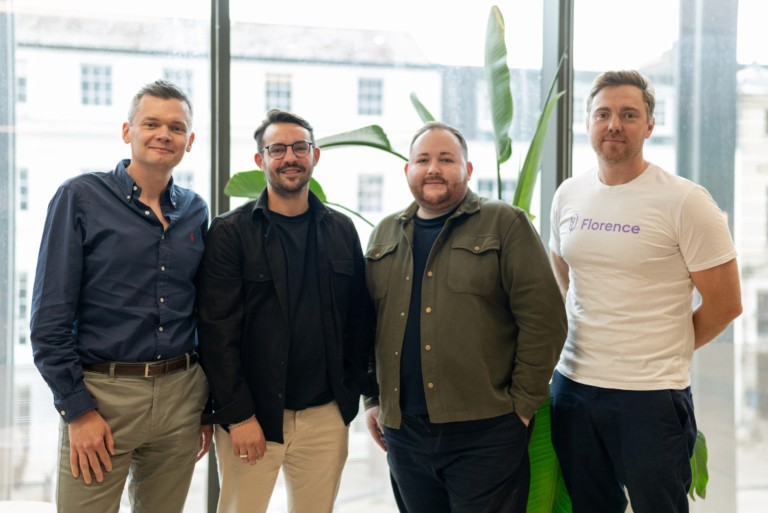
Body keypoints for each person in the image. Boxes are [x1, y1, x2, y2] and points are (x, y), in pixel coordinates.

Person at [548, 70, 743, 513]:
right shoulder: (569, 194)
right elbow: (562, 262)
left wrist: (664, 346)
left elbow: (726, 303)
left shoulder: (684, 201)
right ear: (588, 123)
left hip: (651, 397)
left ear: (650, 125)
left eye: (628, 114)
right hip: (573, 386)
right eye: (603, 114)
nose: (614, 124)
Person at [364, 121, 568, 512]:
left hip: (486, 432)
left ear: (467, 170)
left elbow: (545, 321)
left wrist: (521, 408)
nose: (433, 169)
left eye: (446, 159)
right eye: (422, 159)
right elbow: (367, 327)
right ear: (407, 170)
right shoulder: (385, 234)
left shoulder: (505, 224)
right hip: (404, 433)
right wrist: (372, 398)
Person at [29, 79, 211, 513]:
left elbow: (204, 311)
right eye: (151, 123)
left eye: (176, 127)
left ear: (189, 141)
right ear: (127, 131)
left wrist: (205, 407)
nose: (163, 134)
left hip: (182, 396)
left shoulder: (196, 210)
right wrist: (77, 411)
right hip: (103, 399)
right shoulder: (79, 198)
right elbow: (49, 318)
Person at [196, 109, 375, 513]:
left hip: (325, 416)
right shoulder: (230, 232)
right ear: (260, 160)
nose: (289, 157)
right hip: (253, 415)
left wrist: (352, 395)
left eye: (300, 147)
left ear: (315, 155)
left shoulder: (341, 230)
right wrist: (239, 417)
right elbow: (215, 332)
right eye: (277, 149)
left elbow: (359, 320)